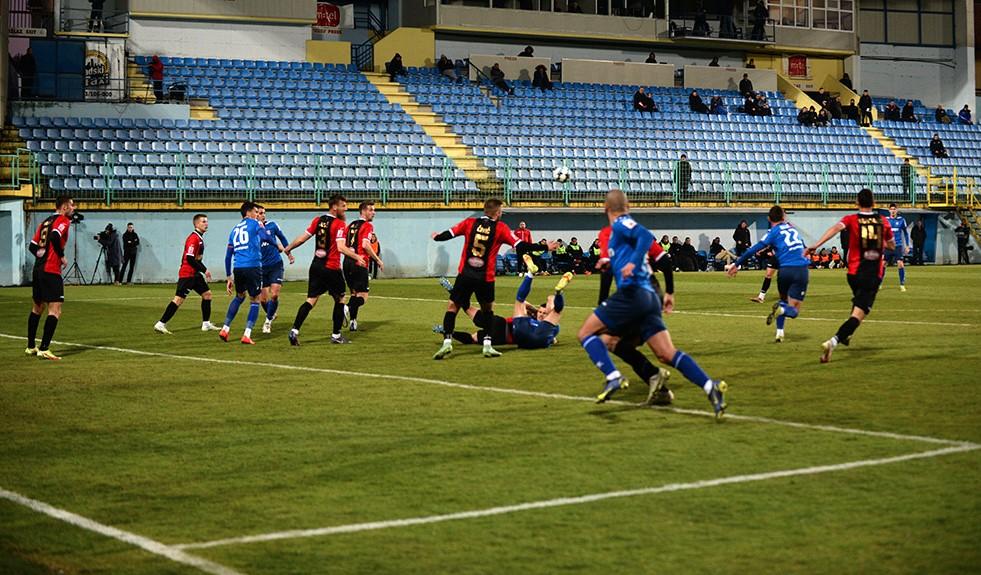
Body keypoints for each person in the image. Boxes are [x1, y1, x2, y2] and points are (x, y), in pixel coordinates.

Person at [577, 189, 727, 416]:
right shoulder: (615, 234)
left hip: (632, 294)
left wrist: (631, 264)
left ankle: (613, 377)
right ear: (627, 206)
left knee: (586, 333)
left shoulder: (619, 223)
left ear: (606, 209)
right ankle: (709, 386)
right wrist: (611, 265)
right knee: (666, 353)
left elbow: (646, 237)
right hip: (649, 297)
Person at [431, 198, 539, 359]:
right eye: (501, 211)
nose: (501, 213)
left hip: (465, 275)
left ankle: (447, 342)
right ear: (497, 212)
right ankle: (487, 346)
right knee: (488, 311)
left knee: (453, 308)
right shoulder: (501, 228)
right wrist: (544, 247)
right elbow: (521, 246)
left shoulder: (469, 223)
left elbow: (449, 234)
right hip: (485, 278)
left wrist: (437, 237)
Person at [807, 189, 895, 363]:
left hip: (853, 274)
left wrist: (816, 245)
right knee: (859, 314)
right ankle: (833, 341)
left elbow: (834, 229)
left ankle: (847, 335)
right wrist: (881, 242)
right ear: (874, 203)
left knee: (857, 303)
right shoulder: (883, 221)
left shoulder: (851, 219)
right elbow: (891, 245)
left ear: (857, 203)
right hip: (871, 275)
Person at [284, 195, 364, 346]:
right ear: (335, 207)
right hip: (331, 268)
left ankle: (294, 331)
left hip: (316, 266)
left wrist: (288, 249)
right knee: (340, 299)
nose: (346, 209)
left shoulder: (318, 220)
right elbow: (340, 247)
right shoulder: (339, 224)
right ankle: (336, 335)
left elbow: (302, 238)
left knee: (311, 300)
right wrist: (356, 256)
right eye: (344, 206)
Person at [727, 206, 810, 343]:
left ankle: (779, 333)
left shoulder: (773, 232)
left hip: (785, 271)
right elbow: (802, 248)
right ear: (784, 217)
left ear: (769, 219)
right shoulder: (793, 229)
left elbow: (752, 250)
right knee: (793, 311)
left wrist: (736, 264)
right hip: (800, 269)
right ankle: (781, 316)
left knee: (783, 302)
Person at [154, 214, 221, 335]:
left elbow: (196, 258)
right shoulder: (193, 238)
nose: (206, 224)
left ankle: (206, 324)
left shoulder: (199, 238)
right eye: (203, 222)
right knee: (178, 300)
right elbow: (190, 258)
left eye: (206, 221)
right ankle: (161, 324)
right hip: (188, 274)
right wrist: (205, 270)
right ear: (196, 224)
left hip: (195, 274)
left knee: (207, 295)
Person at [26, 195, 74, 360]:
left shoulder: (44, 222)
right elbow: (54, 236)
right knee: (55, 310)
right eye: (72, 205)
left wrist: (41, 255)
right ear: (65, 207)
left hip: (38, 269)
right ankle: (44, 348)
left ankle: (31, 346)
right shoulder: (63, 220)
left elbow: (32, 246)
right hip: (51, 270)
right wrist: (61, 256)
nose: (74, 209)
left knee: (37, 308)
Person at [219, 202, 267, 344]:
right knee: (255, 300)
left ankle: (225, 329)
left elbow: (228, 256)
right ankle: (247, 334)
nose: (258, 215)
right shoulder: (255, 224)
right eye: (256, 212)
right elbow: (265, 237)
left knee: (239, 296)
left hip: (238, 267)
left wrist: (228, 276)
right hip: (252, 266)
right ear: (249, 212)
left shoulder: (234, 230)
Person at [343, 201, 384, 332]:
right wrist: (377, 260)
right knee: (363, 296)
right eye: (371, 210)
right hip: (359, 262)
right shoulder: (367, 226)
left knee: (354, 293)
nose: (374, 212)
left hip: (347, 263)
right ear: (364, 211)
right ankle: (347, 308)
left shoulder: (350, 225)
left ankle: (353, 321)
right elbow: (366, 245)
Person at [256, 205, 293, 333]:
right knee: (263, 299)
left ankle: (268, 321)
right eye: (260, 213)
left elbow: (282, 238)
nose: (263, 215)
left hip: (275, 264)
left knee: (275, 294)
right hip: (260, 267)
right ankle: (271, 313)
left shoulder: (272, 225)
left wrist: (289, 253)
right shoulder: (252, 229)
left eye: (264, 213)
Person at [883, 203, 910, 292]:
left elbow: (906, 233)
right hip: (888, 246)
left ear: (897, 210)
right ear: (889, 210)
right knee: (883, 264)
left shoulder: (902, 220)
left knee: (900, 264)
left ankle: (902, 284)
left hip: (898, 246)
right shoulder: (886, 220)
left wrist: (907, 245)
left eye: (894, 209)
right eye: (891, 209)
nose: (893, 211)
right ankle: (879, 283)